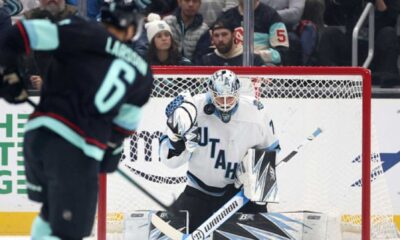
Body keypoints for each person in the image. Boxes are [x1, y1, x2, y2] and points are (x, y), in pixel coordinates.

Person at [0, 0, 154, 239]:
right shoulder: (143, 73)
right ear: (132, 28)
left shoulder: (83, 30)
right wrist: (108, 159)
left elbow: (20, 33)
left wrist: (7, 72)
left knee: (51, 217)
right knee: (69, 232)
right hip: (77, 151)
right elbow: (122, 129)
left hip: (38, 138)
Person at [159, 69, 280, 232]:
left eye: (229, 98)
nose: (224, 104)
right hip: (199, 191)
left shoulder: (255, 113)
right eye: (219, 97)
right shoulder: (192, 108)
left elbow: (271, 152)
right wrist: (175, 139)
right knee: (167, 232)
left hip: (239, 195)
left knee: (263, 232)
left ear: (238, 94)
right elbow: (170, 161)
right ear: (210, 92)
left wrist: (257, 180)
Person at [220, 0, 290, 65]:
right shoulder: (226, 16)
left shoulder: (271, 16)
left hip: (261, 67)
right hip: (231, 65)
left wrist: (255, 55)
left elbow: (281, 54)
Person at [199, 16, 265, 66]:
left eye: (224, 34)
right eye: (216, 35)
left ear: (234, 34)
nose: (220, 39)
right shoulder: (206, 61)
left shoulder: (253, 60)